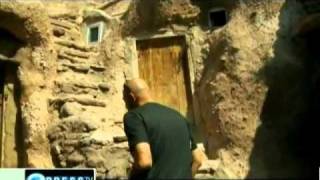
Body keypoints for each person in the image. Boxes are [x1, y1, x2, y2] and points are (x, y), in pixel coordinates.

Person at [123, 78, 207, 179]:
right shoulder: (179, 116)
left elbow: (144, 161)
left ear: (131, 97)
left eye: (124, 98)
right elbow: (198, 159)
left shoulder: (134, 117)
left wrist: (131, 175)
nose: (124, 102)